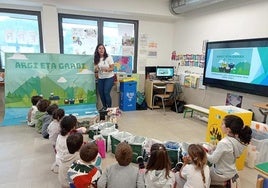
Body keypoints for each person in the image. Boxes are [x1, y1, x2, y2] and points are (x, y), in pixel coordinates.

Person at [207, 114, 252, 186]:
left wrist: (203, 152)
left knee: (200, 171)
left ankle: (219, 183)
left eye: (222, 124)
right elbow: (229, 151)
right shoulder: (240, 140)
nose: (220, 125)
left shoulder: (224, 142)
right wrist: (216, 147)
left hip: (221, 174)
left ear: (228, 129)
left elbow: (213, 160)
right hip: (232, 171)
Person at [94, 43, 115, 111]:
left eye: (102, 48)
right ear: (97, 50)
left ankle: (109, 108)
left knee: (106, 92)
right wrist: (96, 70)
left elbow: (112, 68)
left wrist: (106, 69)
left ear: (104, 49)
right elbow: (95, 69)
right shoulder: (96, 58)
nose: (101, 50)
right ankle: (104, 107)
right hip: (101, 78)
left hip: (109, 77)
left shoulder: (108, 56)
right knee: (101, 93)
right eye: (99, 48)